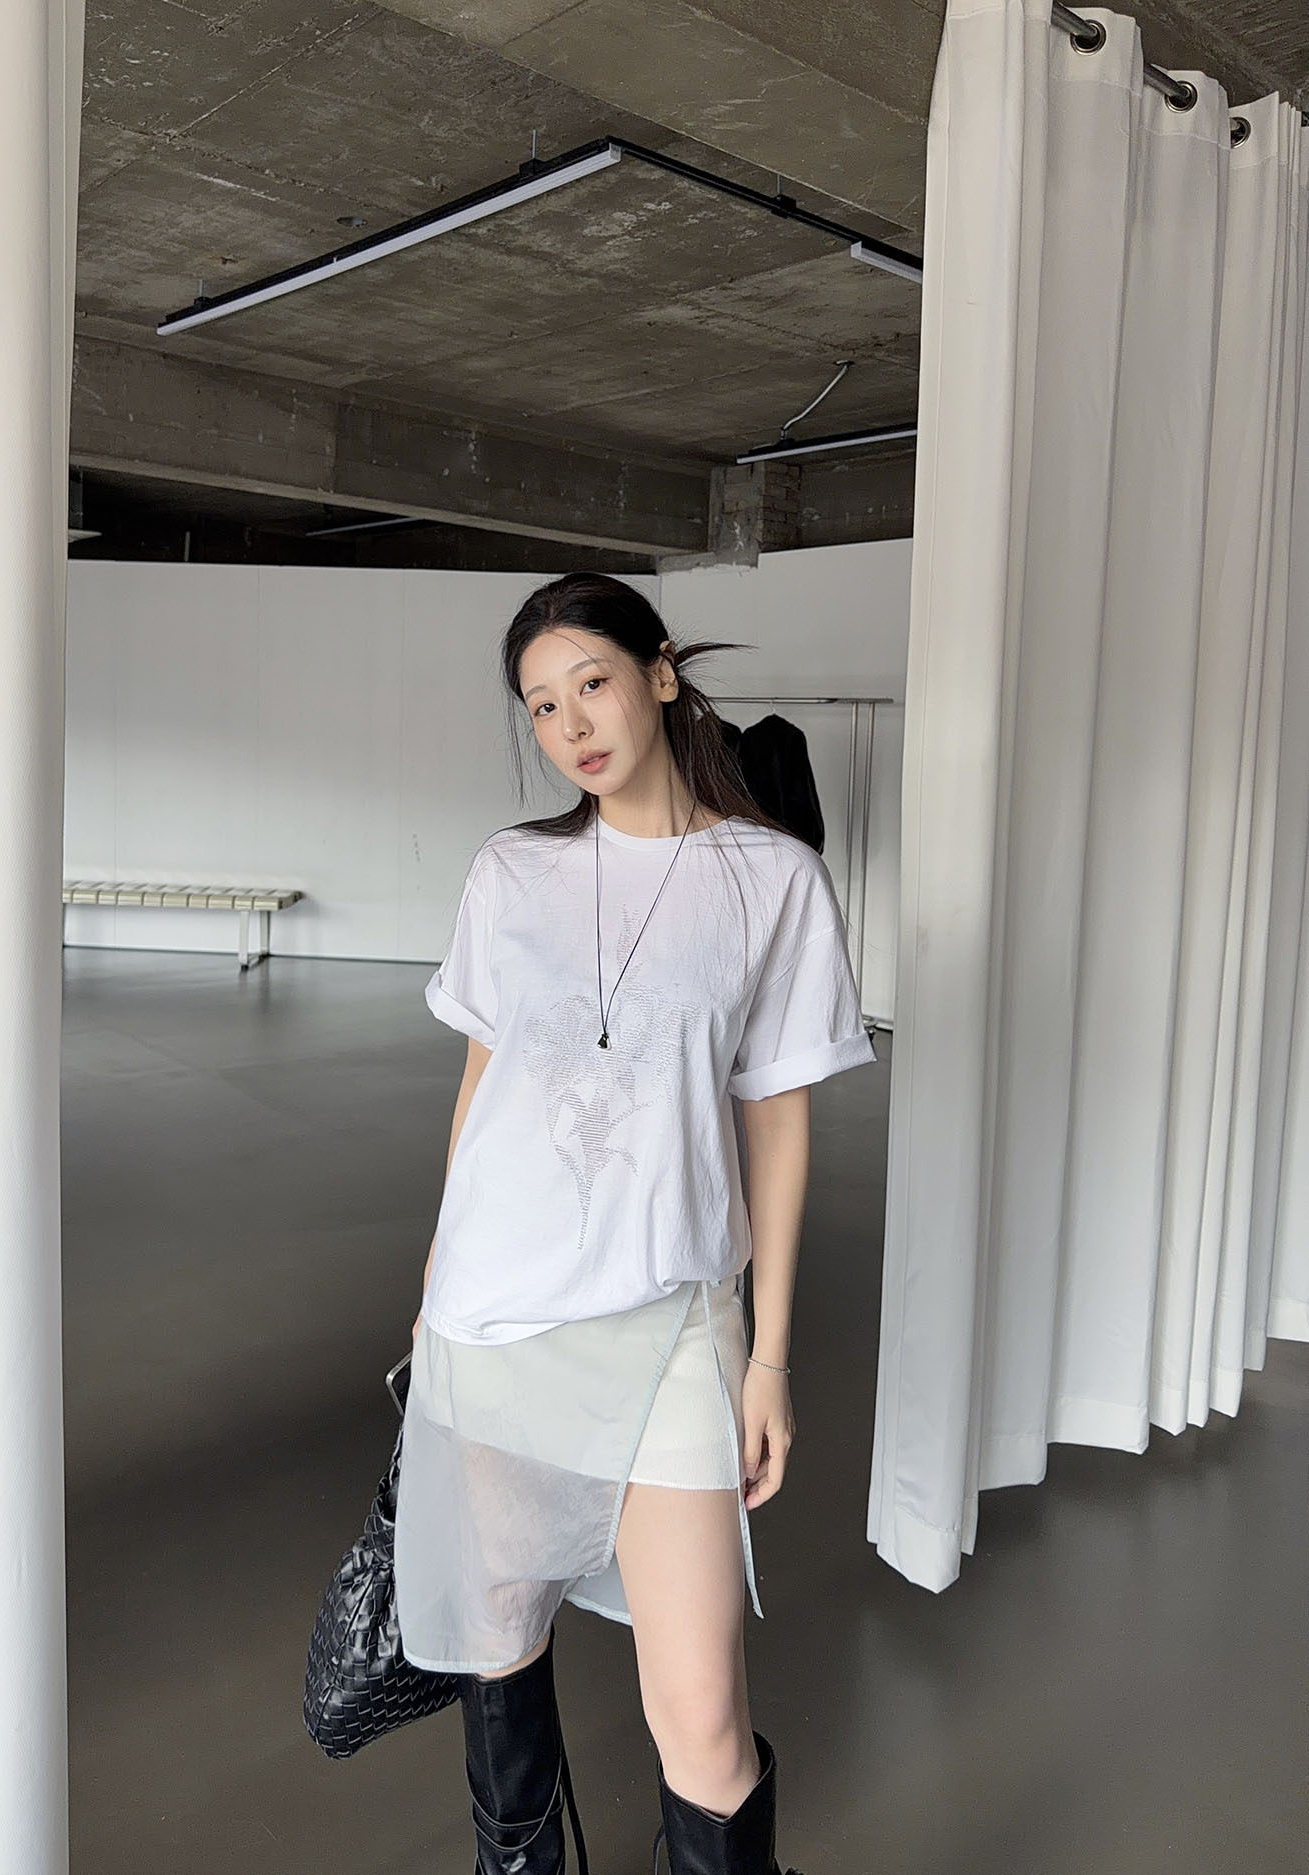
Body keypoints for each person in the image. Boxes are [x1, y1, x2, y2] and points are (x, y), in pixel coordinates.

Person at [391, 573, 875, 1875]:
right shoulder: (513, 872)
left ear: (660, 674)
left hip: (670, 1326)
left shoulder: (771, 880)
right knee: (499, 1648)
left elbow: (777, 1123)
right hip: (498, 1316)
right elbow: (483, 1079)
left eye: (591, 684)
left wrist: (767, 1356)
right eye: (542, 708)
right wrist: (439, 1277)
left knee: (702, 1713)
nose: (571, 726)